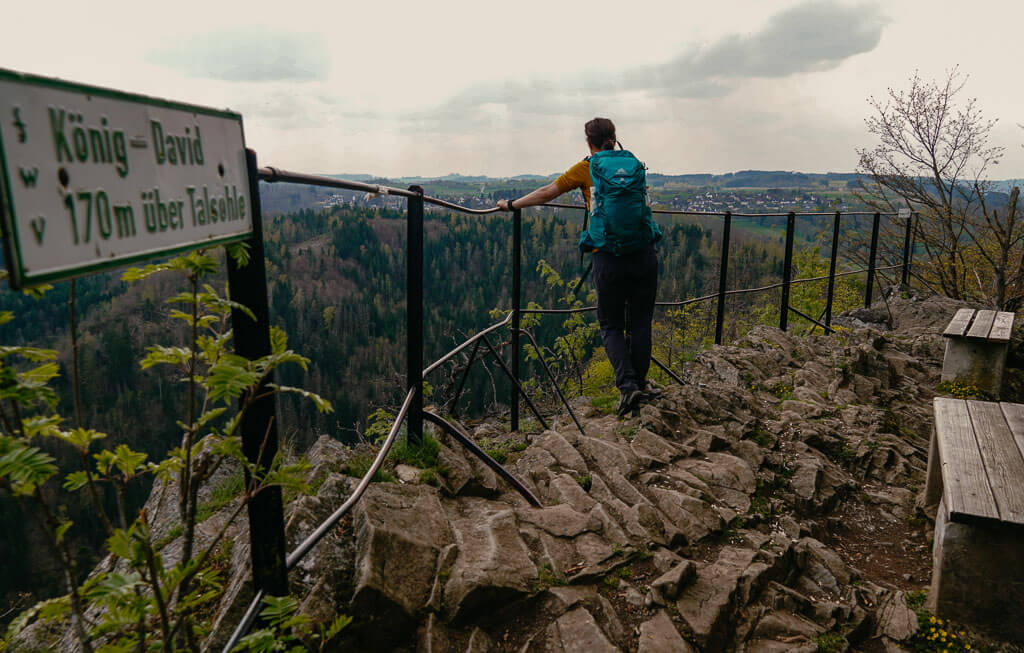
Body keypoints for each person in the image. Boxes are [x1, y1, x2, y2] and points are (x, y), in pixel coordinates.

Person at [496, 117, 661, 415]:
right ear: (615, 137)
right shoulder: (634, 164)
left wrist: (511, 205)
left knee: (611, 324)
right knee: (640, 322)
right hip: (644, 254)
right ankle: (641, 383)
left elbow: (547, 193)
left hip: (608, 257)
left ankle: (628, 387)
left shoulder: (587, 168)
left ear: (589, 143)